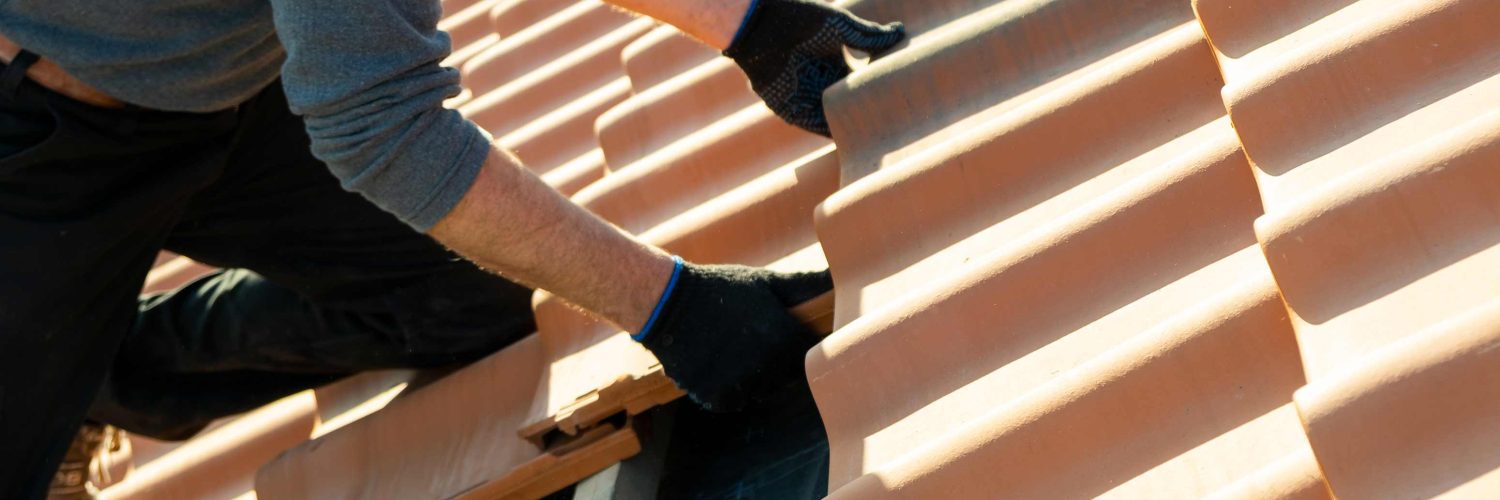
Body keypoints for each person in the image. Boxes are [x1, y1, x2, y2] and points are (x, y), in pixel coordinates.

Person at [0, 0, 904, 497]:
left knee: (472, 297)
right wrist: (671, 308)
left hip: (214, 75)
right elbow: (382, 132)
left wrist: (747, 24)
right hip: (33, 132)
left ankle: (105, 369)